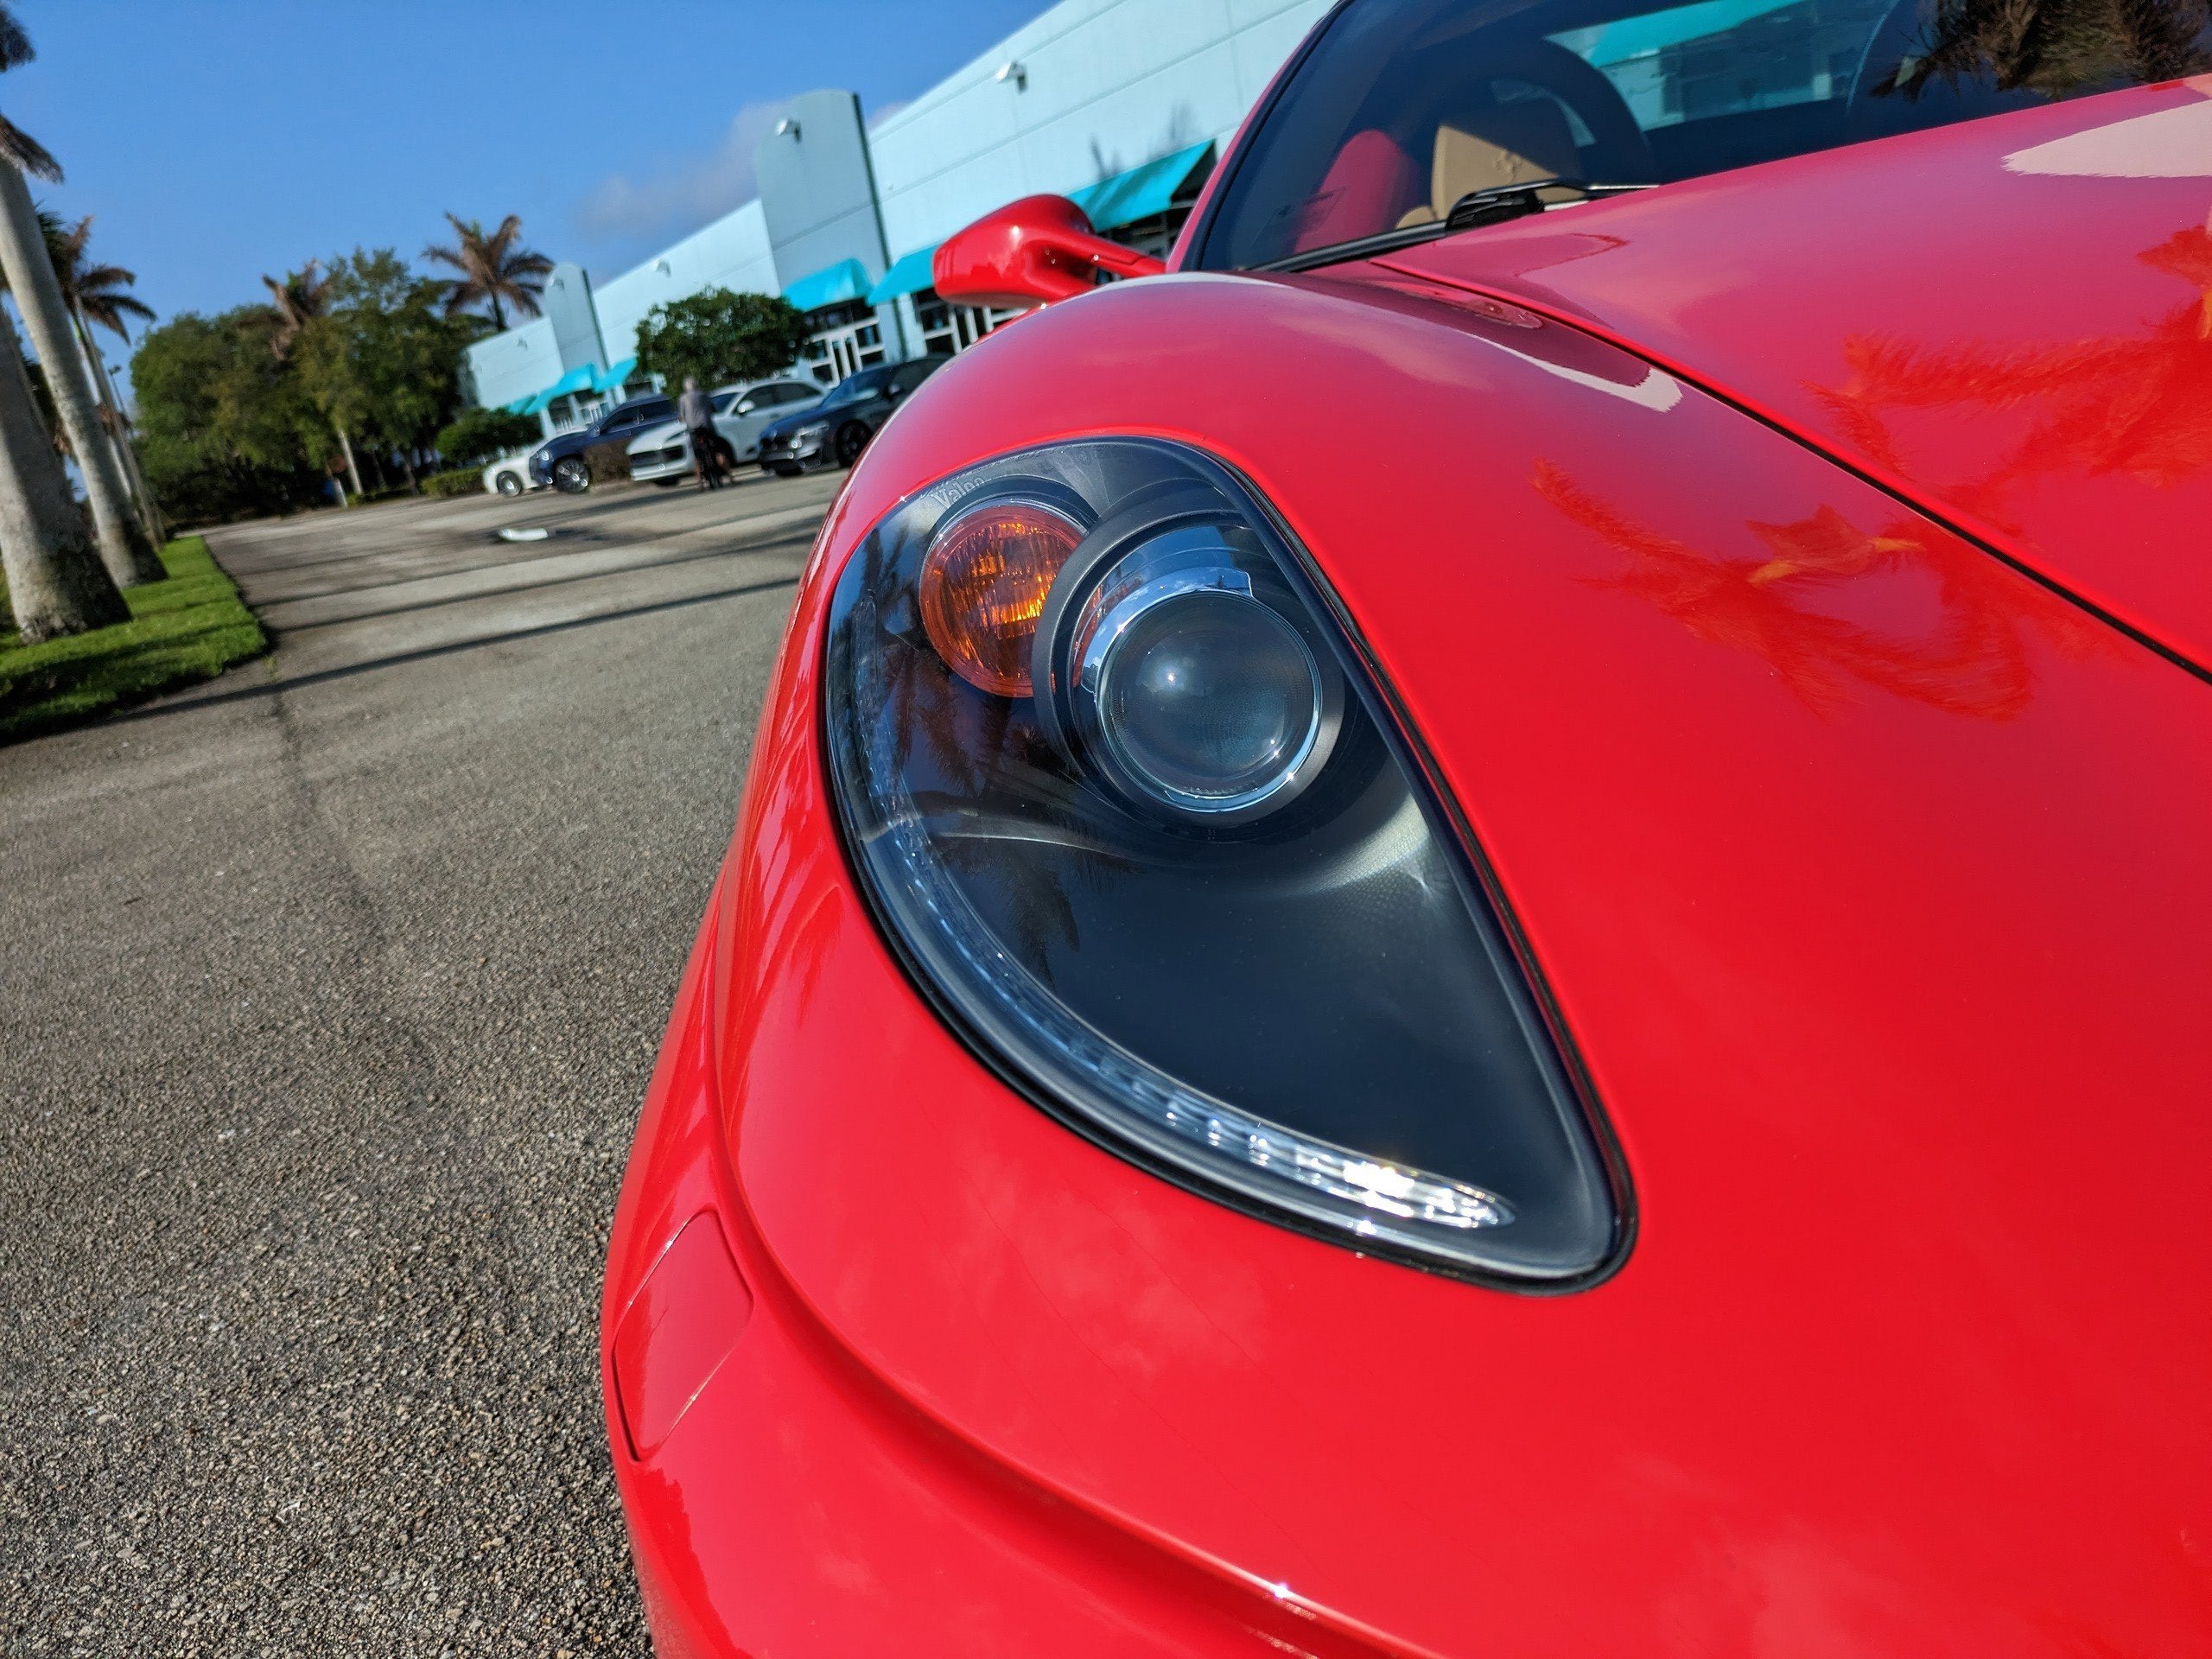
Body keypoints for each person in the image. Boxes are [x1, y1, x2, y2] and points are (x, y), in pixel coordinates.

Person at [677, 376, 721, 490]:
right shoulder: (703, 394)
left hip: (693, 429)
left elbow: (682, 416)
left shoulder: (683, 398)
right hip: (707, 426)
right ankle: (723, 476)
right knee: (715, 451)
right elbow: (713, 409)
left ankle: (700, 483)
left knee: (697, 456)